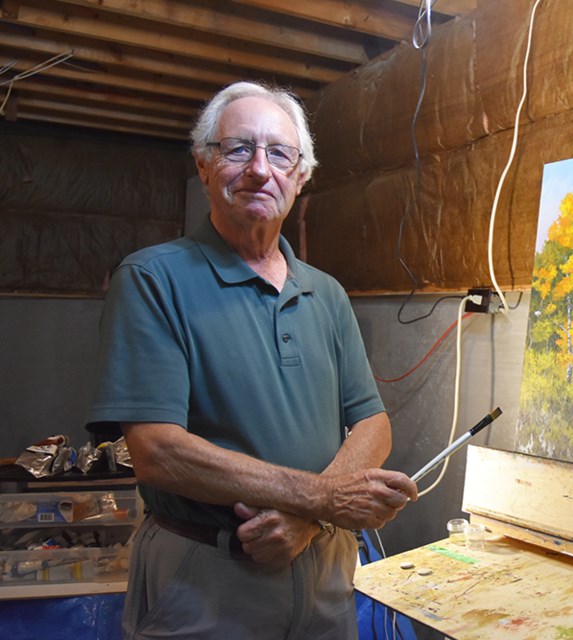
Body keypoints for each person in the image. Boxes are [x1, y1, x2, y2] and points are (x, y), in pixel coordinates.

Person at [86, 81, 418, 640]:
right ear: (204, 165)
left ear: (302, 176)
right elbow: (158, 453)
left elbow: (372, 421)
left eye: (280, 153)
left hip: (324, 570)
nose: (260, 170)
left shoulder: (327, 292)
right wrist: (324, 498)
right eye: (238, 149)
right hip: (206, 573)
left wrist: (309, 520)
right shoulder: (152, 279)